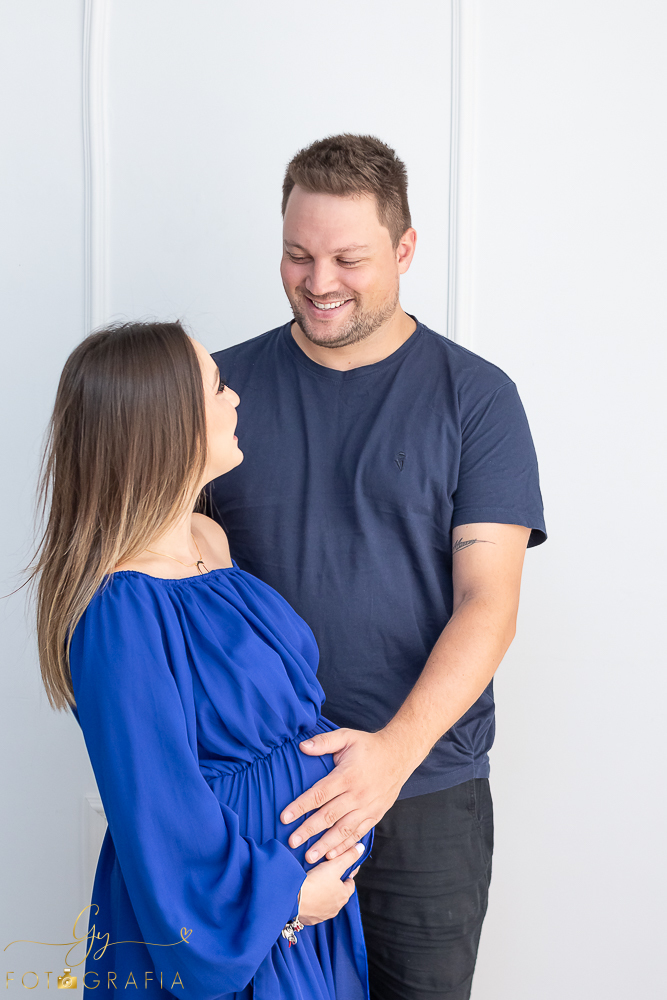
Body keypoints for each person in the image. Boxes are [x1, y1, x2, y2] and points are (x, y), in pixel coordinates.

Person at [208, 134, 547, 1000]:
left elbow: (487, 605)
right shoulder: (214, 394)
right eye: (297, 254)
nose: (319, 281)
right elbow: (167, 581)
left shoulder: (474, 398)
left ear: (403, 249)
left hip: (423, 790)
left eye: (348, 258)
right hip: (258, 797)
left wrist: (388, 758)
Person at [30, 321, 375, 1000]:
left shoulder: (207, 541)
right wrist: (282, 901)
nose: (235, 399)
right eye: (217, 387)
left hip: (304, 891)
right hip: (243, 913)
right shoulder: (118, 613)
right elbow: (158, 805)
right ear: (168, 423)